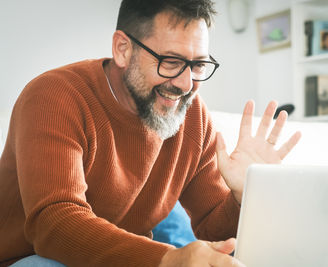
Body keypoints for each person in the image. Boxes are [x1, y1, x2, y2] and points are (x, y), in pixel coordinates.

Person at [0, 0, 301, 266]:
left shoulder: (193, 116)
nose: (185, 84)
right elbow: (55, 225)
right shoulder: (55, 96)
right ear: (123, 49)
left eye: (197, 65)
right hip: (31, 258)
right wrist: (167, 258)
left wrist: (241, 196)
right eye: (171, 61)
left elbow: (213, 231)